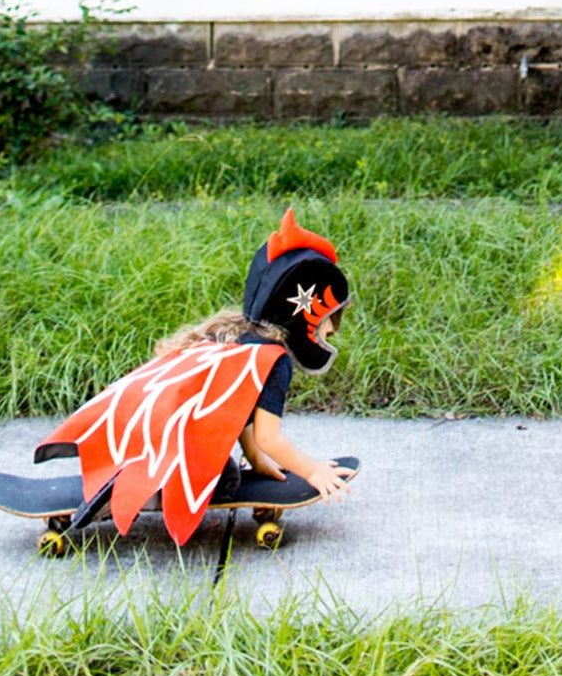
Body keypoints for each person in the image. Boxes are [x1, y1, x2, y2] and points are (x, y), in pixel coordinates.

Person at [34, 208, 353, 545]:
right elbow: (268, 437)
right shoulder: (273, 360)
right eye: (328, 321)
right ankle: (141, 493)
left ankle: (138, 474)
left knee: (220, 465)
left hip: (152, 436)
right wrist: (312, 470)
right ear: (302, 314)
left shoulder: (240, 337)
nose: (330, 331)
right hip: (165, 448)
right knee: (225, 481)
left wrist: (257, 461)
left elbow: (238, 411)